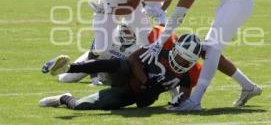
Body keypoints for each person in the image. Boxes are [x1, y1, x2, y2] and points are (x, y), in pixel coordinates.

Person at [140, 0, 262, 111]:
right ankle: (249, 87)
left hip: (237, 0)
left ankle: (195, 101)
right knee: (206, 51)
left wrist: (160, 42)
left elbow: (178, 14)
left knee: (211, 49)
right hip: (232, 0)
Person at [38, 31, 203, 110]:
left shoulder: (192, 72)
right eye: (181, 57)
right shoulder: (164, 44)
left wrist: (178, 103)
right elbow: (133, 59)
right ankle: (71, 67)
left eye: (187, 60)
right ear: (174, 49)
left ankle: (63, 98)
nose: (182, 62)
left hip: (133, 94)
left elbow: (183, 97)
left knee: (81, 106)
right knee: (118, 64)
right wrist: (147, 80)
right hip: (129, 74)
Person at [42, 23, 138, 85]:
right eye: (125, 29)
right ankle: (55, 64)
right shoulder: (109, 34)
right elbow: (93, 55)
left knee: (109, 81)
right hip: (96, 58)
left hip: (111, 67)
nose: (127, 33)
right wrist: (94, 79)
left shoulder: (140, 44)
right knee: (66, 79)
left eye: (130, 30)